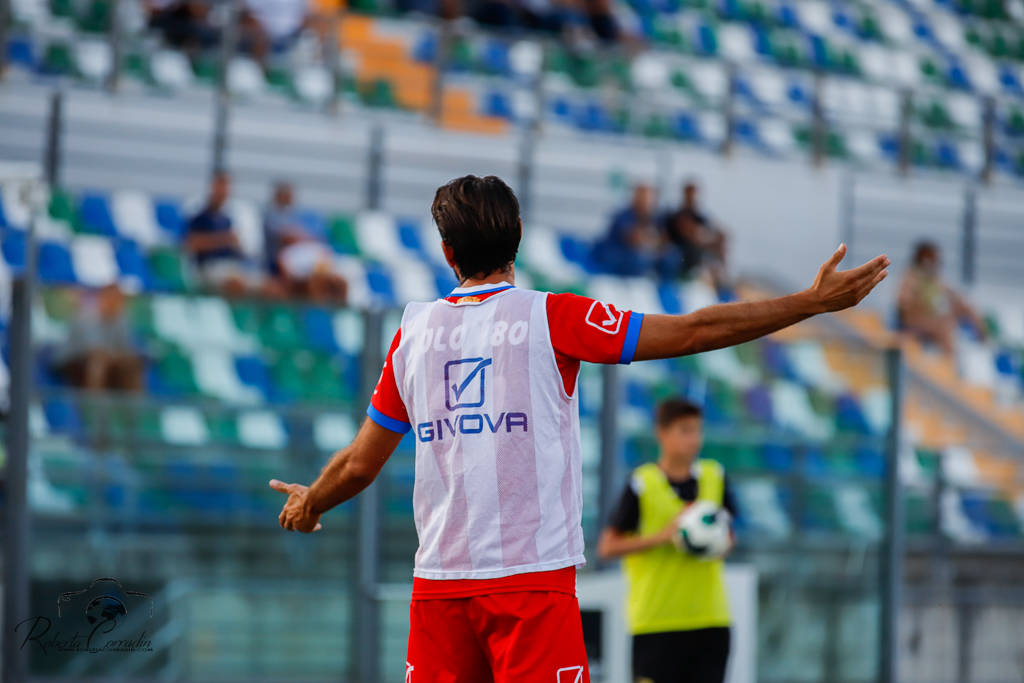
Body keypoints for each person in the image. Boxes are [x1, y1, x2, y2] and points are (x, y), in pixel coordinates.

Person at [269, 174, 889, 682]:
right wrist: (808, 302)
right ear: (516, 242)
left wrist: (311, 499)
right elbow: (695, 330)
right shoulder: (556, 317)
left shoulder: (414, 334)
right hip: (531, 587)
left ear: (448, 253)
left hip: (439, 589)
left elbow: (358, 464)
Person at [597, 398, 738, 683]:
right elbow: (607, 546)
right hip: (656, 621)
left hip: (710, 620)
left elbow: (730, 536)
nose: (694, 439)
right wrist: (663, 537)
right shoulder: (643, 483)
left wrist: (717, 543)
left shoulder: (715, 476)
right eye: (685, 430)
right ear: (662, 433)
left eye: (697, 431)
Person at [185, 171, 275, 298]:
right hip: (209, 267)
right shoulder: (199, 216)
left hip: (232, 265)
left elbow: (238, 248)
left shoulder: (227, 219)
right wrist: (225, 239)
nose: (224, 191)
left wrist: (238, 246)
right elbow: (192, 244)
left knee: (271, 286)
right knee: (236, 284)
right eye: (221, 186)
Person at [263, 181, 347, 304]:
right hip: (279, 264)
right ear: (279, 196)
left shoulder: (294, 216)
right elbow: (287, 238)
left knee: (338, 281)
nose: (290, 199)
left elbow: (305, 238)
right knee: (314, 282)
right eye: (287, 195)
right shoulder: (271, 216)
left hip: (302, 261)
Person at [896, 241, 987, 355]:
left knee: (967, 307)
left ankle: (984, 342)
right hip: (916, 321)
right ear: (923, 258)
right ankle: (949, 364)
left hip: (935, 316)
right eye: (932, 258)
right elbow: (903, 305)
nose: (936, 262)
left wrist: (960, 303)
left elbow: (950, 293)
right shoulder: (910, 277)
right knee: (945, 326)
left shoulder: (934, 278)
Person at [54, 283, 144, 392]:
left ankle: (133, 407)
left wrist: (123, 357)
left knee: (131, 364)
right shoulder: (86, 317)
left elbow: (126, 349)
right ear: (103, 298)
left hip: (106, 361)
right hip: (71, 362)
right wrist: (117, 356)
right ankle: (94, 406)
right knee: (98, 364)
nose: (114, 302)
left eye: (118, 299)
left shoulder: (122, 320)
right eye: (111, 297)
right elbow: (95, 351)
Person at [593, 184, 678, 279]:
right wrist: (653, 241)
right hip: (620, 256)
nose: (646, 201)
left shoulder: (655, 217)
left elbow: (664, 240)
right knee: (640, 258)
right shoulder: (624, 215)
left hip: (646, 255)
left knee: (671, 256)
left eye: (648, 198)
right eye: (643, 197)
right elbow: (633, 238)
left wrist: (655, 243)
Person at [663, 181, 730, 294]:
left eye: (694, 194)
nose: (692, 197)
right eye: (690, 194)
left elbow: (713, 234)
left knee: (718, 249)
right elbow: (687, 233)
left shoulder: (700, 217)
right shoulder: (676, 215)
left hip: (697, 253)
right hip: (682, 254)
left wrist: (713, 239)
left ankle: (721, 285)